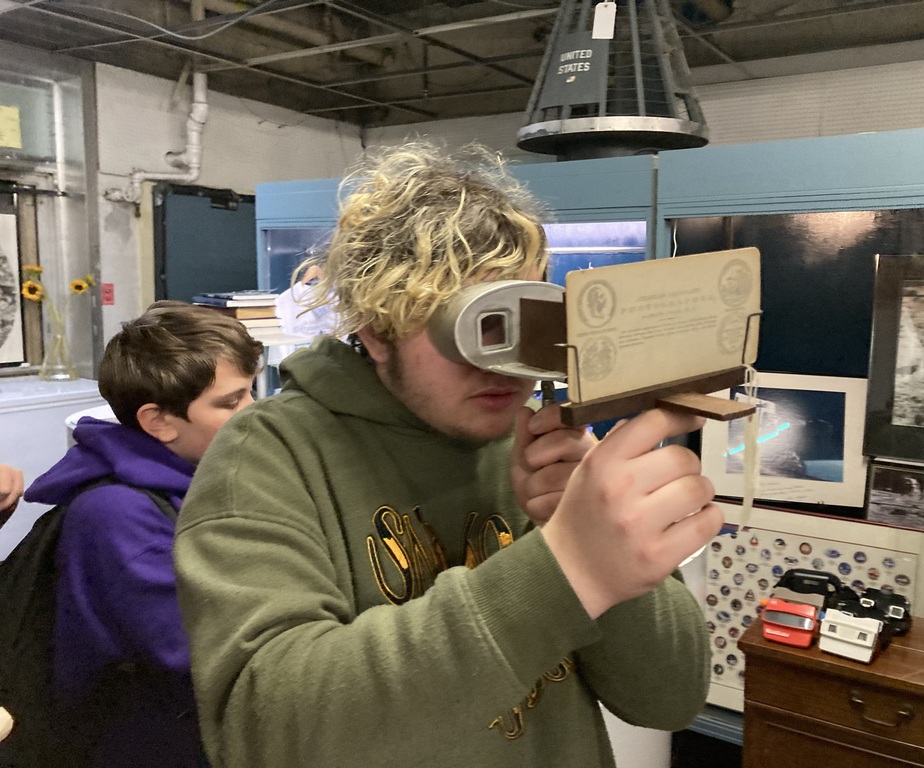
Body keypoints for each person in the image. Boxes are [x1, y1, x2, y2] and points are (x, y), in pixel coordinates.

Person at [174, 142, 723, 768]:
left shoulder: (546, 449)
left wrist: (601, 557)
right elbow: (268, 734)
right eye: (471, 326)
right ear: (378, 332)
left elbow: (670, 700)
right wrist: (567, 568)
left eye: (523, 323)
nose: (503, 365)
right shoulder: (270, 456)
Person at [23, 300, 264, 768]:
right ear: (158, 422)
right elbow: (201, 656)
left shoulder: (203, 479)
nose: (254, 413)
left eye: (251, 393)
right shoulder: (116, 514)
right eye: (231, 402)